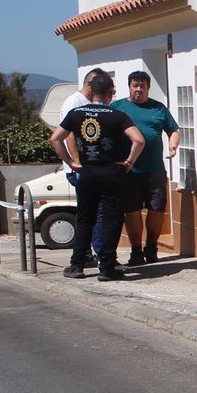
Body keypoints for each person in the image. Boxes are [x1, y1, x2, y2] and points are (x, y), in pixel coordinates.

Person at [50, 74, 144, 281]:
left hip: (86, 173)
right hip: (111, 173)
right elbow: (138, 140)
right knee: (111, 219)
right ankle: (107, 267)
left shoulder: (76, 114)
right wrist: (128, 162)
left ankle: (77, 265)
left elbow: (55, 138)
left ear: (92, 91)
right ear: (110, 94)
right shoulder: (117, 116)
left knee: (85, 218)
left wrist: (72, 162)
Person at [111, 70, 181, 265]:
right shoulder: (118, 107)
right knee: (132, 211)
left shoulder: (158, 108)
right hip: (129, 171)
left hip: (155, 170)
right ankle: (136, 251)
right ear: (129, 87)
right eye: (135, 85)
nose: (139, 89)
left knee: (156, 210)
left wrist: (173, 145)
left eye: (143, 86)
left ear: (148, 88)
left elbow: (174, 130)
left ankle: (151, 247)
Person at [61, 68, 111, 265]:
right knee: (92, 214)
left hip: (92, 169)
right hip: (81, 170)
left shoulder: (90, 104)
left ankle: (86, 255)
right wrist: (75, 163)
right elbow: (68, 134)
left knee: (91, 214)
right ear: (90, 84)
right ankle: (95, 255)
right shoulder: (75, 103)